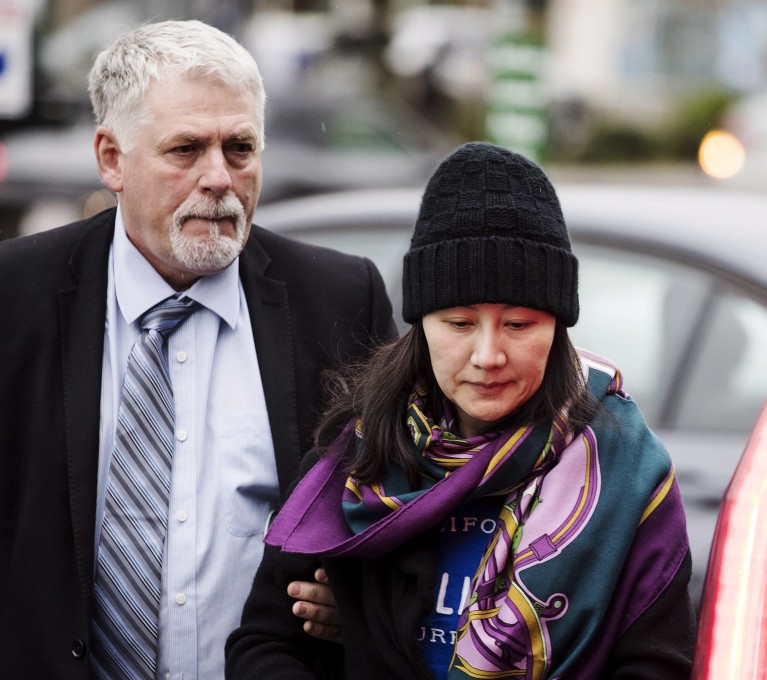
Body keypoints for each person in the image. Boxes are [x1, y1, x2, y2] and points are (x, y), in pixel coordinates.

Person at [0, 20, 394, 680]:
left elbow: (399, 508)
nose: (219, 177)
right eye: (186, 149)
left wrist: (358, 600)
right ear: (111, 158)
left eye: (239, 148)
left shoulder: (339, 298)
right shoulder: (15, 296)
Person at [225, 142, 696, 678]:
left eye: (519, 324)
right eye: (459, 323)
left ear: (559, 326)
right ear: (421, 323)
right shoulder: (359, 460)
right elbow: (263, 644)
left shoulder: (627, 474)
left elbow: (658, 665)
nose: (488, 355)